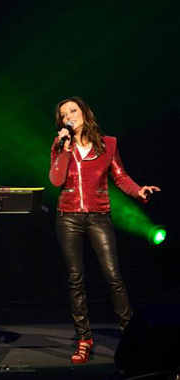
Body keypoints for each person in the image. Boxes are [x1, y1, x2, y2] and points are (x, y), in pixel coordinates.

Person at [49, 97, 160, 364]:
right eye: (64, 115)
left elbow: (120, 176)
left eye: (73, 111)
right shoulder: (60, 145)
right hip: (69, 217)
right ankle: (84, 338)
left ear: (84, 113)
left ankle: (132, 334)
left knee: (113, 276)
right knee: (75, 280)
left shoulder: (108, 144)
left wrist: (138, 191)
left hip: (99, 216)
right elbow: (55, 179)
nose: (69, 117)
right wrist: (62, 148)